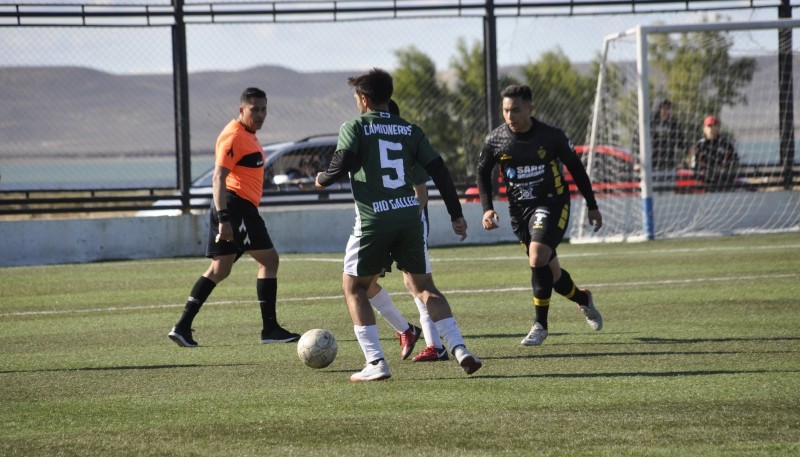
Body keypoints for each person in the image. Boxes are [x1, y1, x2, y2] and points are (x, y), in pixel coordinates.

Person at [315, 68, 481, 381]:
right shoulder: (410, 129)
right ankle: (460, 348)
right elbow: (439, 170)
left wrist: (322, 178)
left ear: (363, 99)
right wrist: (456, 213)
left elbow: (344, 162)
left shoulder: (355, 126)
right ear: (388, 96)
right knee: (425, 288)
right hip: (410, 217)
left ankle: (376, 362)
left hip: (374, 219)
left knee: (355, 288)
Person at [168, 87, 300, 348]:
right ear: (242, 110)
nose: (260, 114)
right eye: (255, 109)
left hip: (236, 207)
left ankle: (182, 326)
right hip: (236, 207)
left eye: (264, 109)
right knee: (269, 260)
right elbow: (218, 177)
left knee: (220, 269)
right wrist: (225, 219)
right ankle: (270, 329)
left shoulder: (248, 134)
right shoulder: (234, 136)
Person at [476, 84, 604, 347]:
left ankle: (540, 325)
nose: (509, 116)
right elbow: (482, 172)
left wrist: (592, 205)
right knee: (551, 274)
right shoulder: (496, 139)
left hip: (552, 203)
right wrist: (487, 207)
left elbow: (576, 169)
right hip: (519, 212)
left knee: (537, 256)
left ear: (530, 109)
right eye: (505, 110)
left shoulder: (551, 136)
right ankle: (583, 299)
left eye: (515, 110)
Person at [365, 99, 450, 363]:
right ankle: (407, 331)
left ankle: (434, 344)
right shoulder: (375, 146)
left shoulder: (406, 145)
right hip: (387, 225)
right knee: (366, 283)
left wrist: (401, 229)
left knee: (415, 284)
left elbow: (421, 195)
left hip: (405, 226)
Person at [633, 98, 688, 177]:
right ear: (657, 108)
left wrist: (689, 148)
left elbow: (681, 141)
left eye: (668, 108)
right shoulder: (647, 122)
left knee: (667, 188)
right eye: (663, 108)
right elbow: (635, 142)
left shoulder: (673, 123)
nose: (666, 111)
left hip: (668, 166)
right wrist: (637, 162)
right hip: (649, 166)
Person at [686, 115, 740, 191]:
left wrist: (725, 168)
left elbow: (735, 161)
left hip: (725, 181)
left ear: (718, 128)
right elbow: (692, 165)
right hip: (705, 182)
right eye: (709, 126)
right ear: (704, 129)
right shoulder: (700, 145)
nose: (711, 128)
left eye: (714, 125)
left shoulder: (726, 144)